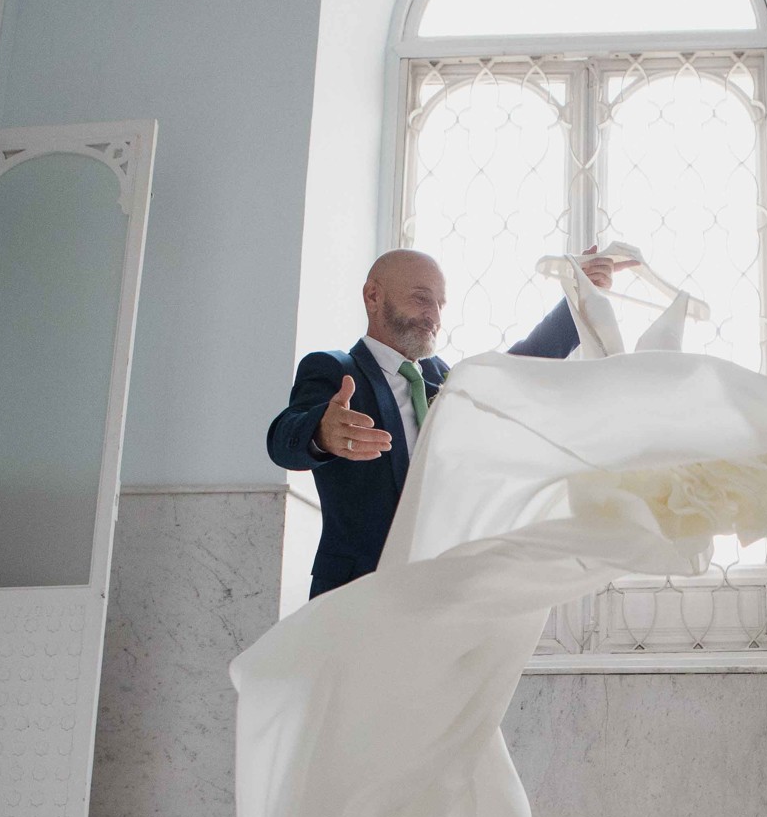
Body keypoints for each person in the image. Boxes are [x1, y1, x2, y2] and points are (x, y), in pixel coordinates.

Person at [266, 248, 620, 597]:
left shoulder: (443, 377)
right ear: (374, 296)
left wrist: (579, 298)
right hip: (356, 593)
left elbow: (517, 368)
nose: (433, 315)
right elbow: (283, 439)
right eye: (421, 299)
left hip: (441, 590)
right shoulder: (334, 370)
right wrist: (321, 433)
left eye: (440, 304)